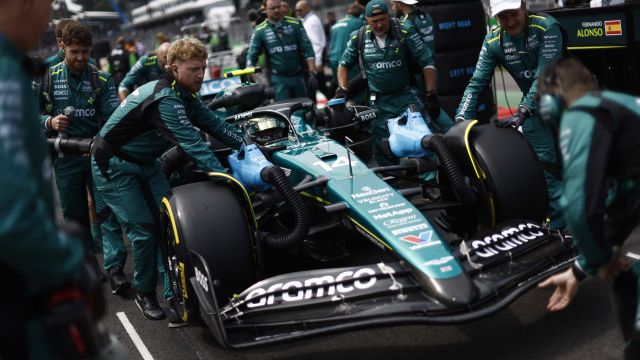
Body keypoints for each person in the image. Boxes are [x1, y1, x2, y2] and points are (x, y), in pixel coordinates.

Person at [91, 38, 244, 324]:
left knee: (169, 223)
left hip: (145, 164)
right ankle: (145, 293)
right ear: (174, 69)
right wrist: (228, 179)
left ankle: (175, 292)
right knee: (146, 231)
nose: (201, 74)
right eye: (194, 69)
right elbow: (194, 145)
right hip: (113, 166)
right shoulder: (166, 98)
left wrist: (247, 145)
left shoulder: (184, 93)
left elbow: (215, 125)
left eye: (204, 67)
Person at [1, 0, 99, 358]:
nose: (47, 20)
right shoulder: (6, 75)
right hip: (17, 295)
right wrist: (69, 262)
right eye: (48, 5)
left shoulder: (14, 66)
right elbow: (11, 217)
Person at [536, 56, 640, 360]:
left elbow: (579, 206)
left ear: (553, 99)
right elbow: (627, 200)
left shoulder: (583, 113)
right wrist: (582, 269)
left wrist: (599, 256)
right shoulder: (620, 105)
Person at [455, 0, 566, 228]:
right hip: (534, 108)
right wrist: (460, 120)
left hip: (569, 99)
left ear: (524, 6)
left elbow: (545, 74)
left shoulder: (546, 26)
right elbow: (476, 83)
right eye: (503, 17)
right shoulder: (493, 41)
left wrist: (523, 110)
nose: (510, 21)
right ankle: (559, 224)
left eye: (513, 14)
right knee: (546, 166)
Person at [38, 21, 120, 258]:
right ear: (63, 48)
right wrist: (49, 122)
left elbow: (113, 120)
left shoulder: (101, 79)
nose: (81, 57)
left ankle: (115, 268)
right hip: (65, 158)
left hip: (96, 154)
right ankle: (87, 267)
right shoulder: (46, 77)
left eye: (85, 52)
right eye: (75, 52)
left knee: (106, 211)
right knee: (75, 218)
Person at [337, 0, 446, 166]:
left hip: (406, 95)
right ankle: (392, 183)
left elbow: (427, 62)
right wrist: (343, 88)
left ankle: (431, 185)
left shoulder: (405, 30)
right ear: (366, 20)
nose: (379, 25)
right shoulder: (358, 37)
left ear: (389, 16)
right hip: (378, 101)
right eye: (374, 21)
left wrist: (431, 94)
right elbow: (343, 65)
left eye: (383, 19)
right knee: (383, 146)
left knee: (422, 138)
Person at [246, 0, 317, 101]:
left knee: (306, 110)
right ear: (265, 9)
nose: (276, 10)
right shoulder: (259, 30)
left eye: (278, 7)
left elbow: (308, 48)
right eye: (272, 8)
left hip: (298, 76)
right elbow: (251, 56)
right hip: (278, 79)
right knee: (284, 112)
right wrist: (255, 77)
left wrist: (312, 72)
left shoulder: (295, 24)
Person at [391, 0, 435, 92]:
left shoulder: (406, 23)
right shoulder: (427, 16)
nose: (392, 8)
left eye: (393, 4)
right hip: (432, 71)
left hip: (419, 75)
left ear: (400, 4)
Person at [328, 3, 364, 97]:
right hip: (348, 59)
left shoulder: (336, 24)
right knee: (354, 90)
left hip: (334, 59)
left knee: (341, 89)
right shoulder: (358, 22)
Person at [295, 0, 327, 99]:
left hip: (314, 62)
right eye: (296, 10)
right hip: (312, 60)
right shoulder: (307, 20)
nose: (298, 13)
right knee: (316, 88)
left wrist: (318, 61)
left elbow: (317, 43)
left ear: (307, 8)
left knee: (316, 88)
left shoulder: (312, 21)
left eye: (300, 10)